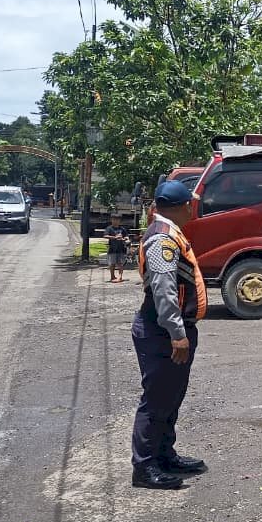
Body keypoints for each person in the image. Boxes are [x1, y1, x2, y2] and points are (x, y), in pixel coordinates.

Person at [130, 180, 209, 490]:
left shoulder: (168, 232)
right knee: (157, 399)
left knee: (171, 397)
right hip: (161, 331)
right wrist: (177, 332)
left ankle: (164, 455)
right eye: (189, 203)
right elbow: (164, 290)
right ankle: (145, 467)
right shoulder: (162, 239)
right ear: (179, 207)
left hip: (168, 329)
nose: (193, 207)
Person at [105, 213, 130, 283]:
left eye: (117, 220)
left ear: (120, 221)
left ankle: (120, 276)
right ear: (111, 220)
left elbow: (126, 236)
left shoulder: (122, 229)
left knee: (120, 263)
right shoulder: (109, 228)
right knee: (112, 263)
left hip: (121, 248)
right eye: (114, 219)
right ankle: (112, 276)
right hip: (112, 248)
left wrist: (125, 239)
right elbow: (105, 236)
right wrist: (114, 237)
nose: (115, 221)